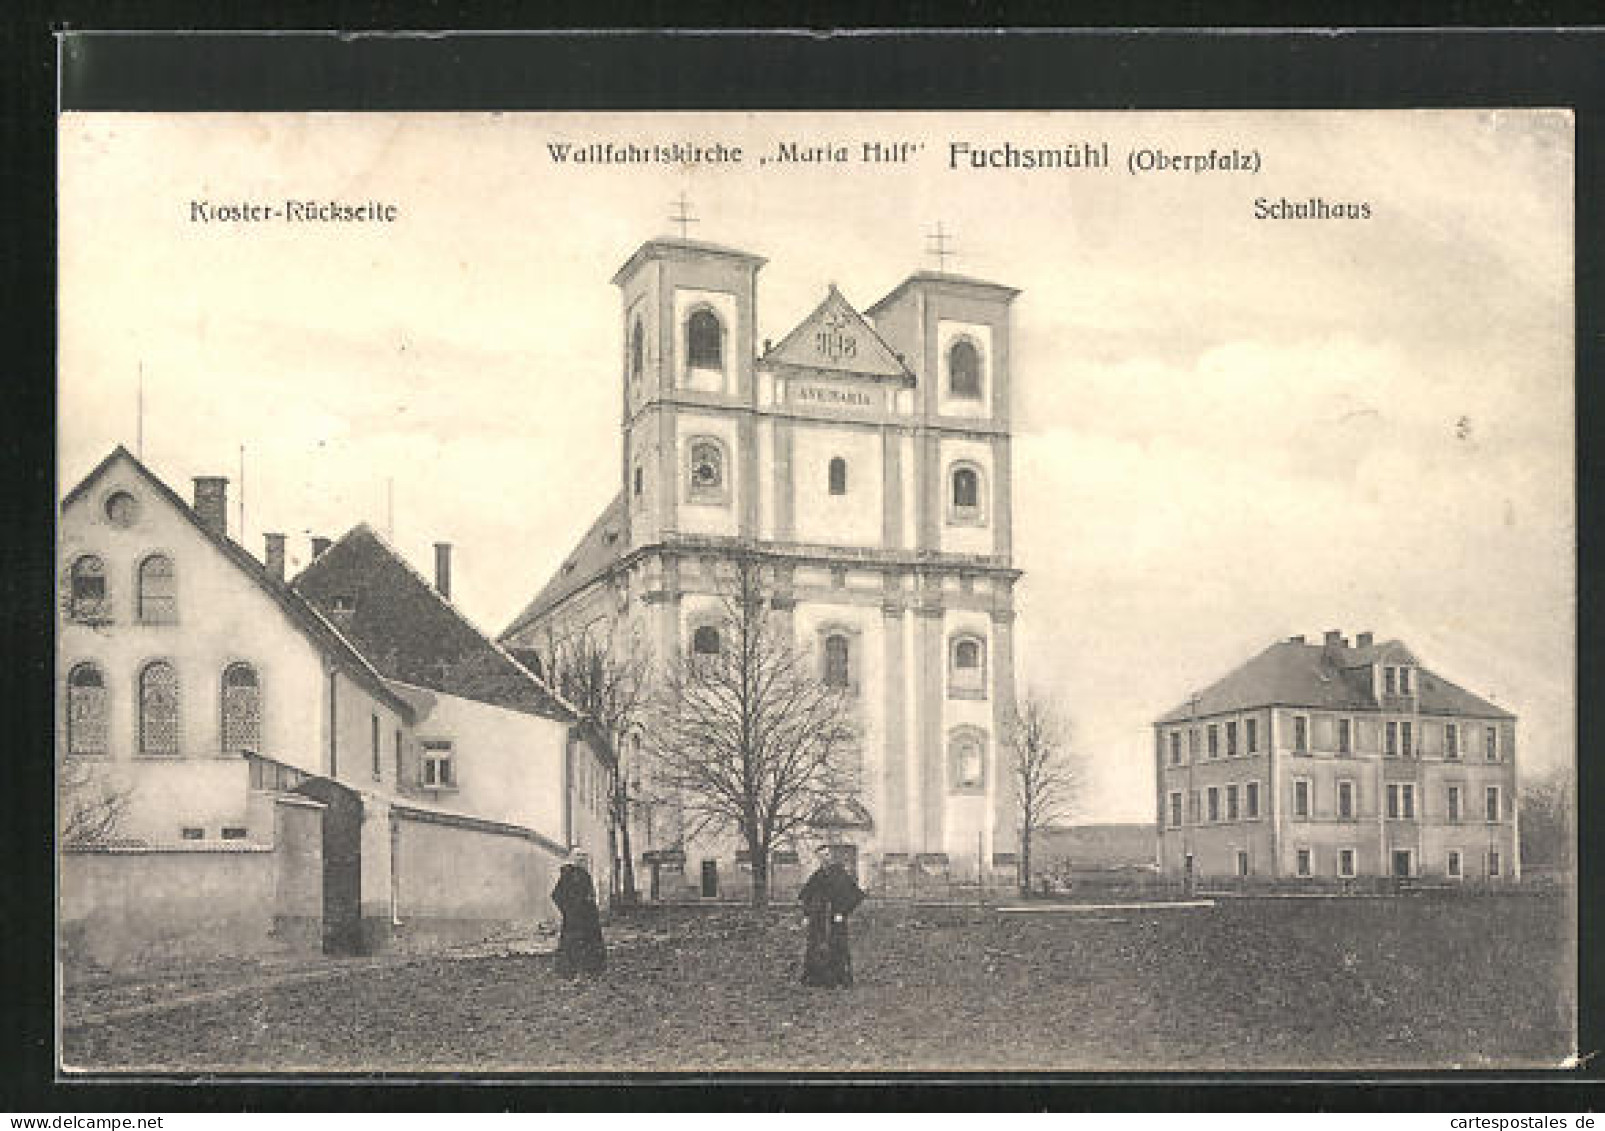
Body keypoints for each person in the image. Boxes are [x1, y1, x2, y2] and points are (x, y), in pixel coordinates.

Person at [799, 844, 865, 987]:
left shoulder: (840, 874)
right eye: (822, 856)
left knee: (838, 946)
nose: (825, 859)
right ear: (818, 858)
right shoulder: (817, 876)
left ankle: (840, 979)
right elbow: (806, 895)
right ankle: (817, 979)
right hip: (819, 918)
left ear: (831, 856)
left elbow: (856, 895)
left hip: (836, 918)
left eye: (827, 855)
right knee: (816, 945)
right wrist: (806, 914)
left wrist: (843, 912)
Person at [551, 851, 606, 977]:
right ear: (574, 860)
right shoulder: (567, 875)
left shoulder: (585, 875)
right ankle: (569, 969)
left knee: (590, 941)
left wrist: (590, 906)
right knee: (572, 942)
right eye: (581, 859)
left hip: (587, 916)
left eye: (584, 859)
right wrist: (567, 910)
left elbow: (590, 894)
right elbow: (556, 895)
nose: (583, 862)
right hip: (574, 917)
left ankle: (592, 968)